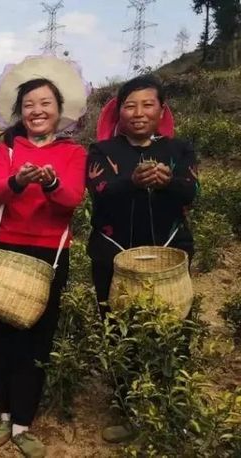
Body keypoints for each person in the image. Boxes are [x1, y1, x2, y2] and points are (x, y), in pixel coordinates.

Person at [0, 56, 89, 457]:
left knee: (36, 339)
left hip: (48, 253)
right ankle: (4, 414)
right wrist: (18, 179)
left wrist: (50, 182)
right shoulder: (6, 148)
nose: (37, 111)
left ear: (59, 111)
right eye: (29, 105)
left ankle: (24, 422)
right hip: (2, 247)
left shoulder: (72, 153)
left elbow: (72, 200)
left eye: (45, 103)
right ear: (19, 111)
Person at [87, 75, 198, 443]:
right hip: (112, 253)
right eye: (129, 106)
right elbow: (99, 192)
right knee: (118, 329)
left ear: (161, 110)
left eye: (147, 105)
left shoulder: (179, 150)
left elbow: (192, 191)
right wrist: (132, 181)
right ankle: (127, 406)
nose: (138, 113)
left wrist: (168, 182)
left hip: (170, 250)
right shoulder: (102, 151)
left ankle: (170, 406)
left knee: (173, 327)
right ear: (118, 112)